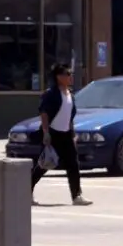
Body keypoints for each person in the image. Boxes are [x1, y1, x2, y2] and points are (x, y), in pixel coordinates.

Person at [31, 63, 92, 206]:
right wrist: (46, 133)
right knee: (44, 165)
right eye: (67, 74)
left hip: (66, 135)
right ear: (59, 77)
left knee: (73, 164)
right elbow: (44, 113)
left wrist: (72, 134)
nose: (70, 77)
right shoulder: (50, 94)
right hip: (52, 134)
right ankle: (26, 190)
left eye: (70, 74)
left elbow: (68, 117)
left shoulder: (70, 94)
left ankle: (77, 196)